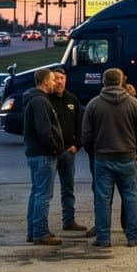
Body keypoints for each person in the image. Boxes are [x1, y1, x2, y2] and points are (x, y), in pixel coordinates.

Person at [79, 66, 137, 248]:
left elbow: (86, 135)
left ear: (103, 82)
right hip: (127, 157)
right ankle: (133, 237)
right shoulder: (133, 104)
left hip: (102, 158)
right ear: (120, 81)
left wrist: (93, 152)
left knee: (102, 199)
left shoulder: (94, 104)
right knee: (130, 197)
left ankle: (103, 238)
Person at [21, 67, 65, 246]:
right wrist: (54, 148)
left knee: (37, 192)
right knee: (43, 194)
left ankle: (33, 231)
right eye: (53, 80)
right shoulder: (40, 101)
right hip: (43, 154)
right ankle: (40, 232)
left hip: (36, 153)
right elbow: (44, 130)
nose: (56, 83)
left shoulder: (35, 99)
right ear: (46, 81)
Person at [51, 68, 88, 233]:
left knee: (68, 187)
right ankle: (40, 227)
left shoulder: (72, 99)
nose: (59, 82)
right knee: (45, 190)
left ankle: (69, 221)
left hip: (68, 151)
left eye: (62, 79)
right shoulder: (46, 99)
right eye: (56, 78)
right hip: (51, 152)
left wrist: (77, 144)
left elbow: (81, 124)